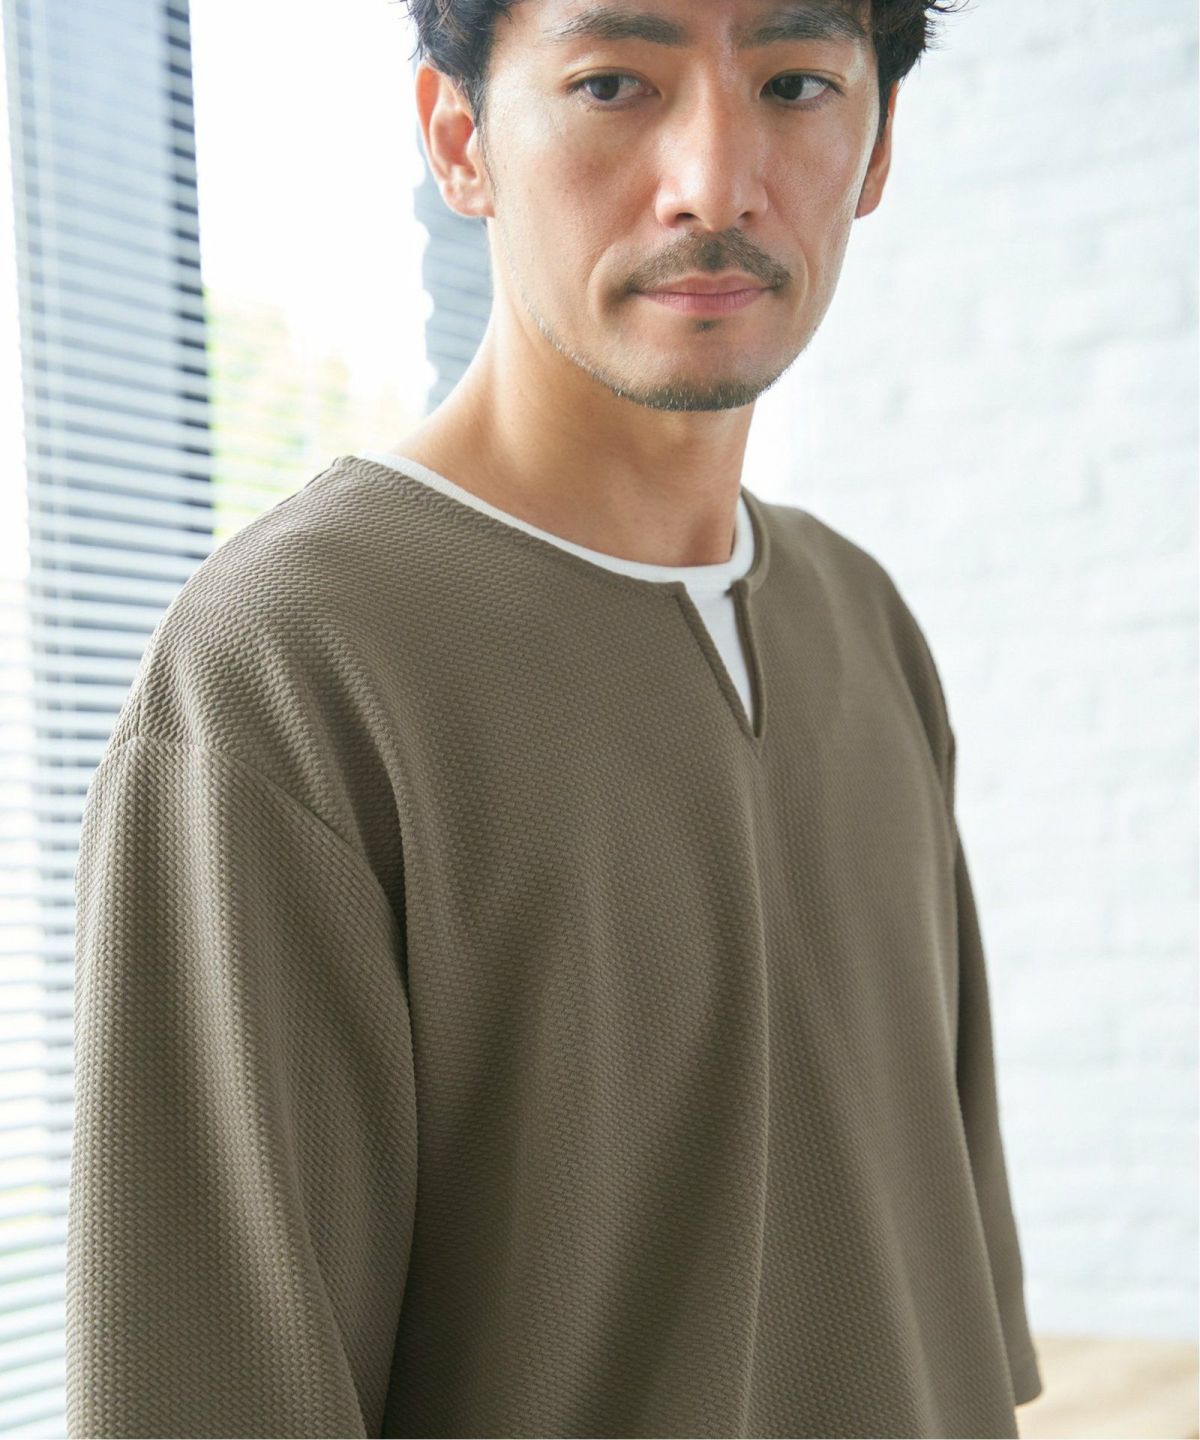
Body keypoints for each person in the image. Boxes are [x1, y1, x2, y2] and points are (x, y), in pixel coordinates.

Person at [65, 1, 1044, 1436]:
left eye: (792, 86)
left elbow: (944, 1320)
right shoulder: (286, 667)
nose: (714, 183)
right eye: (612, 86)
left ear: (878, 145)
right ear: (460, 139)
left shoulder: (862, 624)